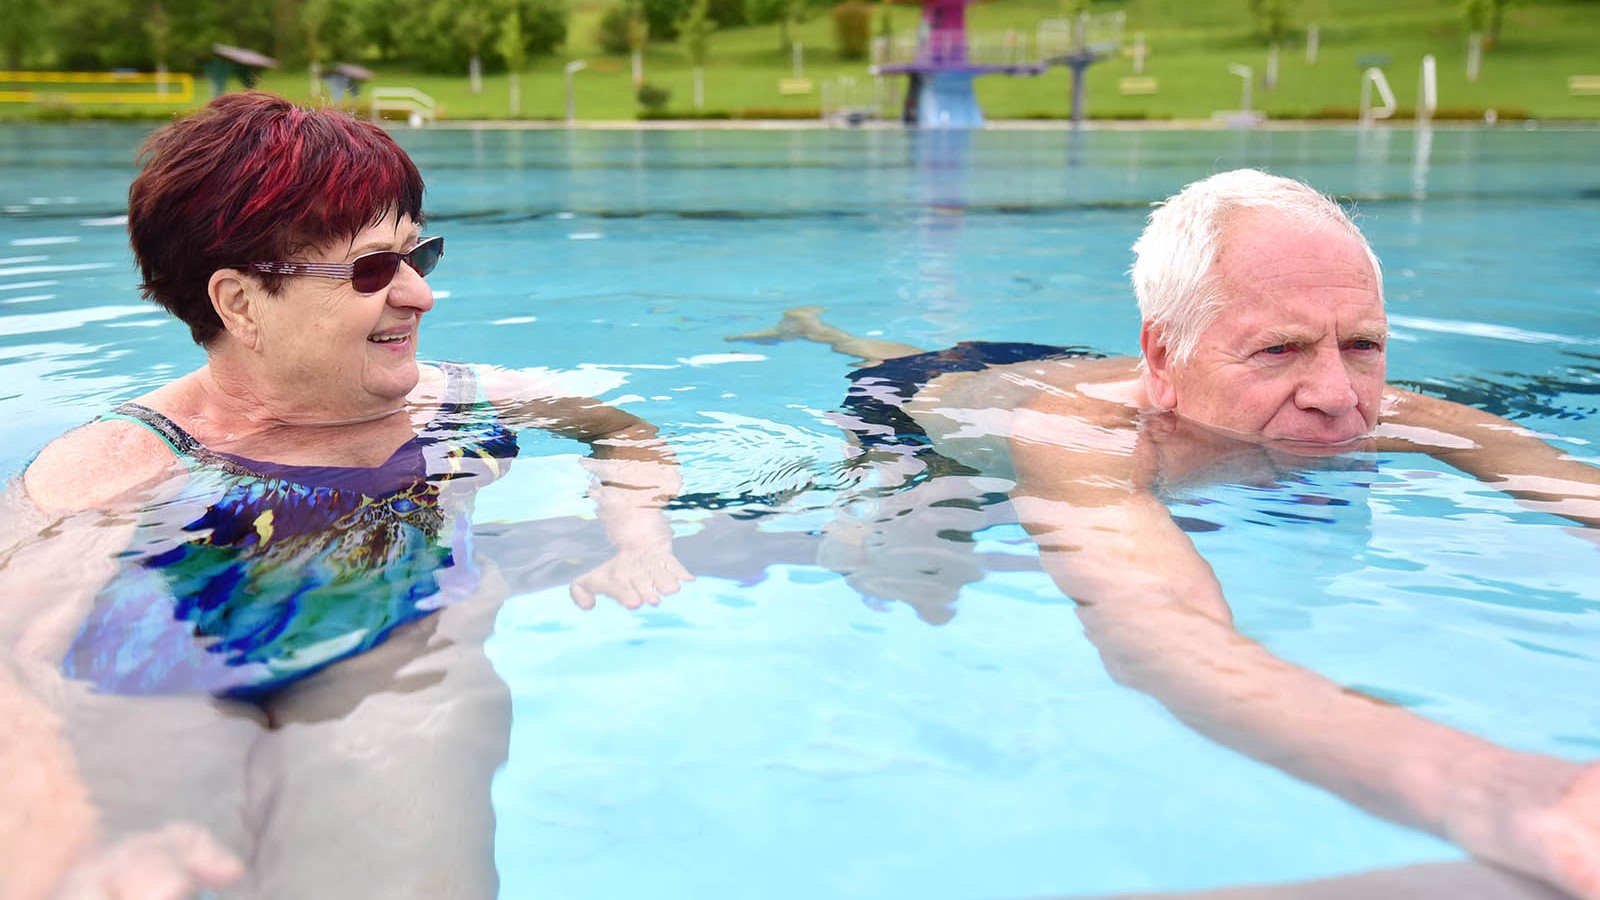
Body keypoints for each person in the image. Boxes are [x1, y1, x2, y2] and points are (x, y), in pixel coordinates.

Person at [731, 168, 1600, 898]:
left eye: (1364, 345)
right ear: (1164, 362)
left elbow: (1575, 489)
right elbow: (1159, 630)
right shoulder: (1079, 440)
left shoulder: (1387, 406)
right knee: (895, 571)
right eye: (1279, 351)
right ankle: (819, 330)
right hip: (916, 403)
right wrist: (1508, 795)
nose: (1340, 397)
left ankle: (828, 325)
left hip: (1056, 360)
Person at [0, 91, 691, 899]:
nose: (420, 296)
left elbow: (629, 436)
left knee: (405, 766)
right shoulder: (125, 464)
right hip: (166, 679)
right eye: (371, 269)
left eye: (418, 257)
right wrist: (55, 825)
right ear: (239, 302)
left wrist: (639, 535)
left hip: (394, 650)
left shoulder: (464, 400)